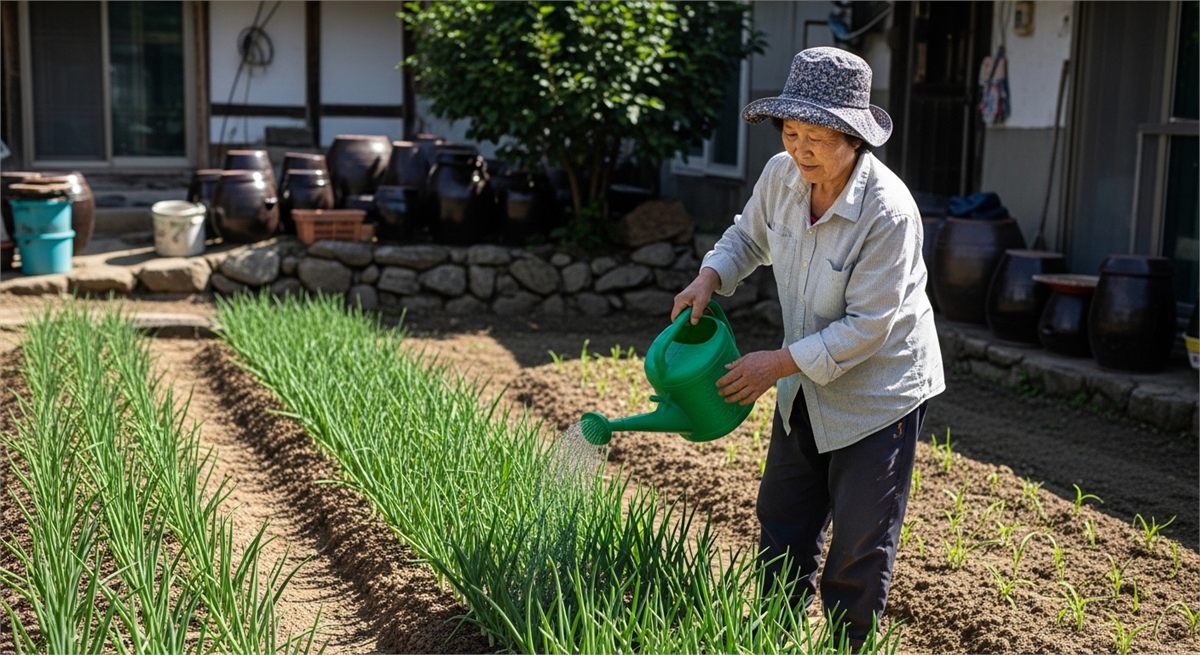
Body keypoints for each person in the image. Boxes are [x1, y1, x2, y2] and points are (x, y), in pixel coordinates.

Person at [672, 47, 945, 647]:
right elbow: (748, 236)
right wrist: (709, 277)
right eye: (791, 133)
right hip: (801, 379)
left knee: (857, 545)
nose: (800, 149)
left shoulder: (888, 213)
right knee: (782, 522)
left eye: (816, 137)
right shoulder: (782, 177)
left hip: (878, 394)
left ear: (853, 138)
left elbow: (868, 327)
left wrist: (776, 364)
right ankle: (773, 639)